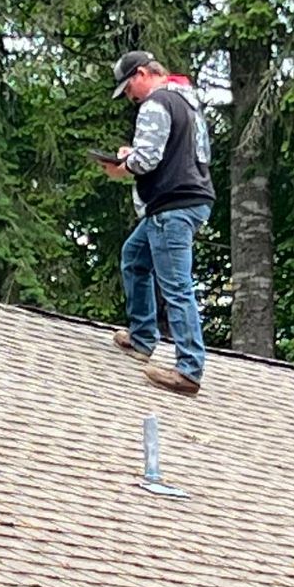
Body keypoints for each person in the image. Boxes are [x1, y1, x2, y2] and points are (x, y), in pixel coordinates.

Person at [97, 50, 215, 395]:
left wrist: (122, 165)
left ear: (142, 74)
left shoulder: (155, 103)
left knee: (177, 286)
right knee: (134, 257)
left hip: (171, 206)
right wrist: (132, 157)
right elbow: (196, 154)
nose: (130, 97)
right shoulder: (188, 102)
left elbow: (147, 159)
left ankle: (189, 369)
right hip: (190, 200)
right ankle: (142, 336)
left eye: (129, 87)